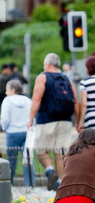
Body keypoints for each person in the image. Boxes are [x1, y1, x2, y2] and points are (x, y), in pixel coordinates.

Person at [28, 53, 80, 191]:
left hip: (46, 119)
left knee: (41, 150)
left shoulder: (42, 77)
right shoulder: (68, 79)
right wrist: (78, 121)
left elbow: (36, 99)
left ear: (48, 64)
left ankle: (50, 171)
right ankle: (60, 183)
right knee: (60, 153)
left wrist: (30, 118)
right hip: (65, 121)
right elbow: (76, 103)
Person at [1, 80, 35, 187]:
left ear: (13, 90)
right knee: (27, 159)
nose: (6, 92)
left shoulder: (7, 101)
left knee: (11, 161)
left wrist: (3, 127)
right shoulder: (28, 101)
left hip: (12, 133)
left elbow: (5, 119)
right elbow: (33, 115)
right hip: (26, 132)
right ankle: (30, 185)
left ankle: (9, 185)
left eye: (7, 89)